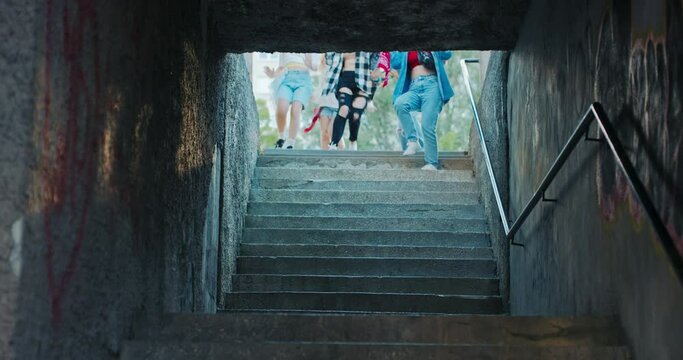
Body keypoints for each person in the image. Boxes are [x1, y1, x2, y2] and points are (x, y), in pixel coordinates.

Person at [392, 51, 454, 170]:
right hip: (414, 87)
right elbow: (395, 62)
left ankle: (432, 163)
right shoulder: (407, 50)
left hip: (432, 85)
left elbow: (447, 54)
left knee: (427, 126)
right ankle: (412, 141)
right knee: (400, 103)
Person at [322, 52, 388, 150]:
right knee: (344, 109)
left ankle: (353, 141)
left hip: (363, 83)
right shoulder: (341, 44)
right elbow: (328, 60)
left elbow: (376, 67)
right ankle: (333, 144)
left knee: (355, 115)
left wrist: (377, 75)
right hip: (345, 80)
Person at [264, 53, 321, 149]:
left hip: (303, 79)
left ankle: (290, 142)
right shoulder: (286, 47)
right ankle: (282, 137)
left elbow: (315, 68)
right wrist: (273, 74)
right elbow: (281, 67)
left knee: (296, 109)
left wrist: (309, 61)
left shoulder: (310, 48)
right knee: (281, 108)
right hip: (286, 77)